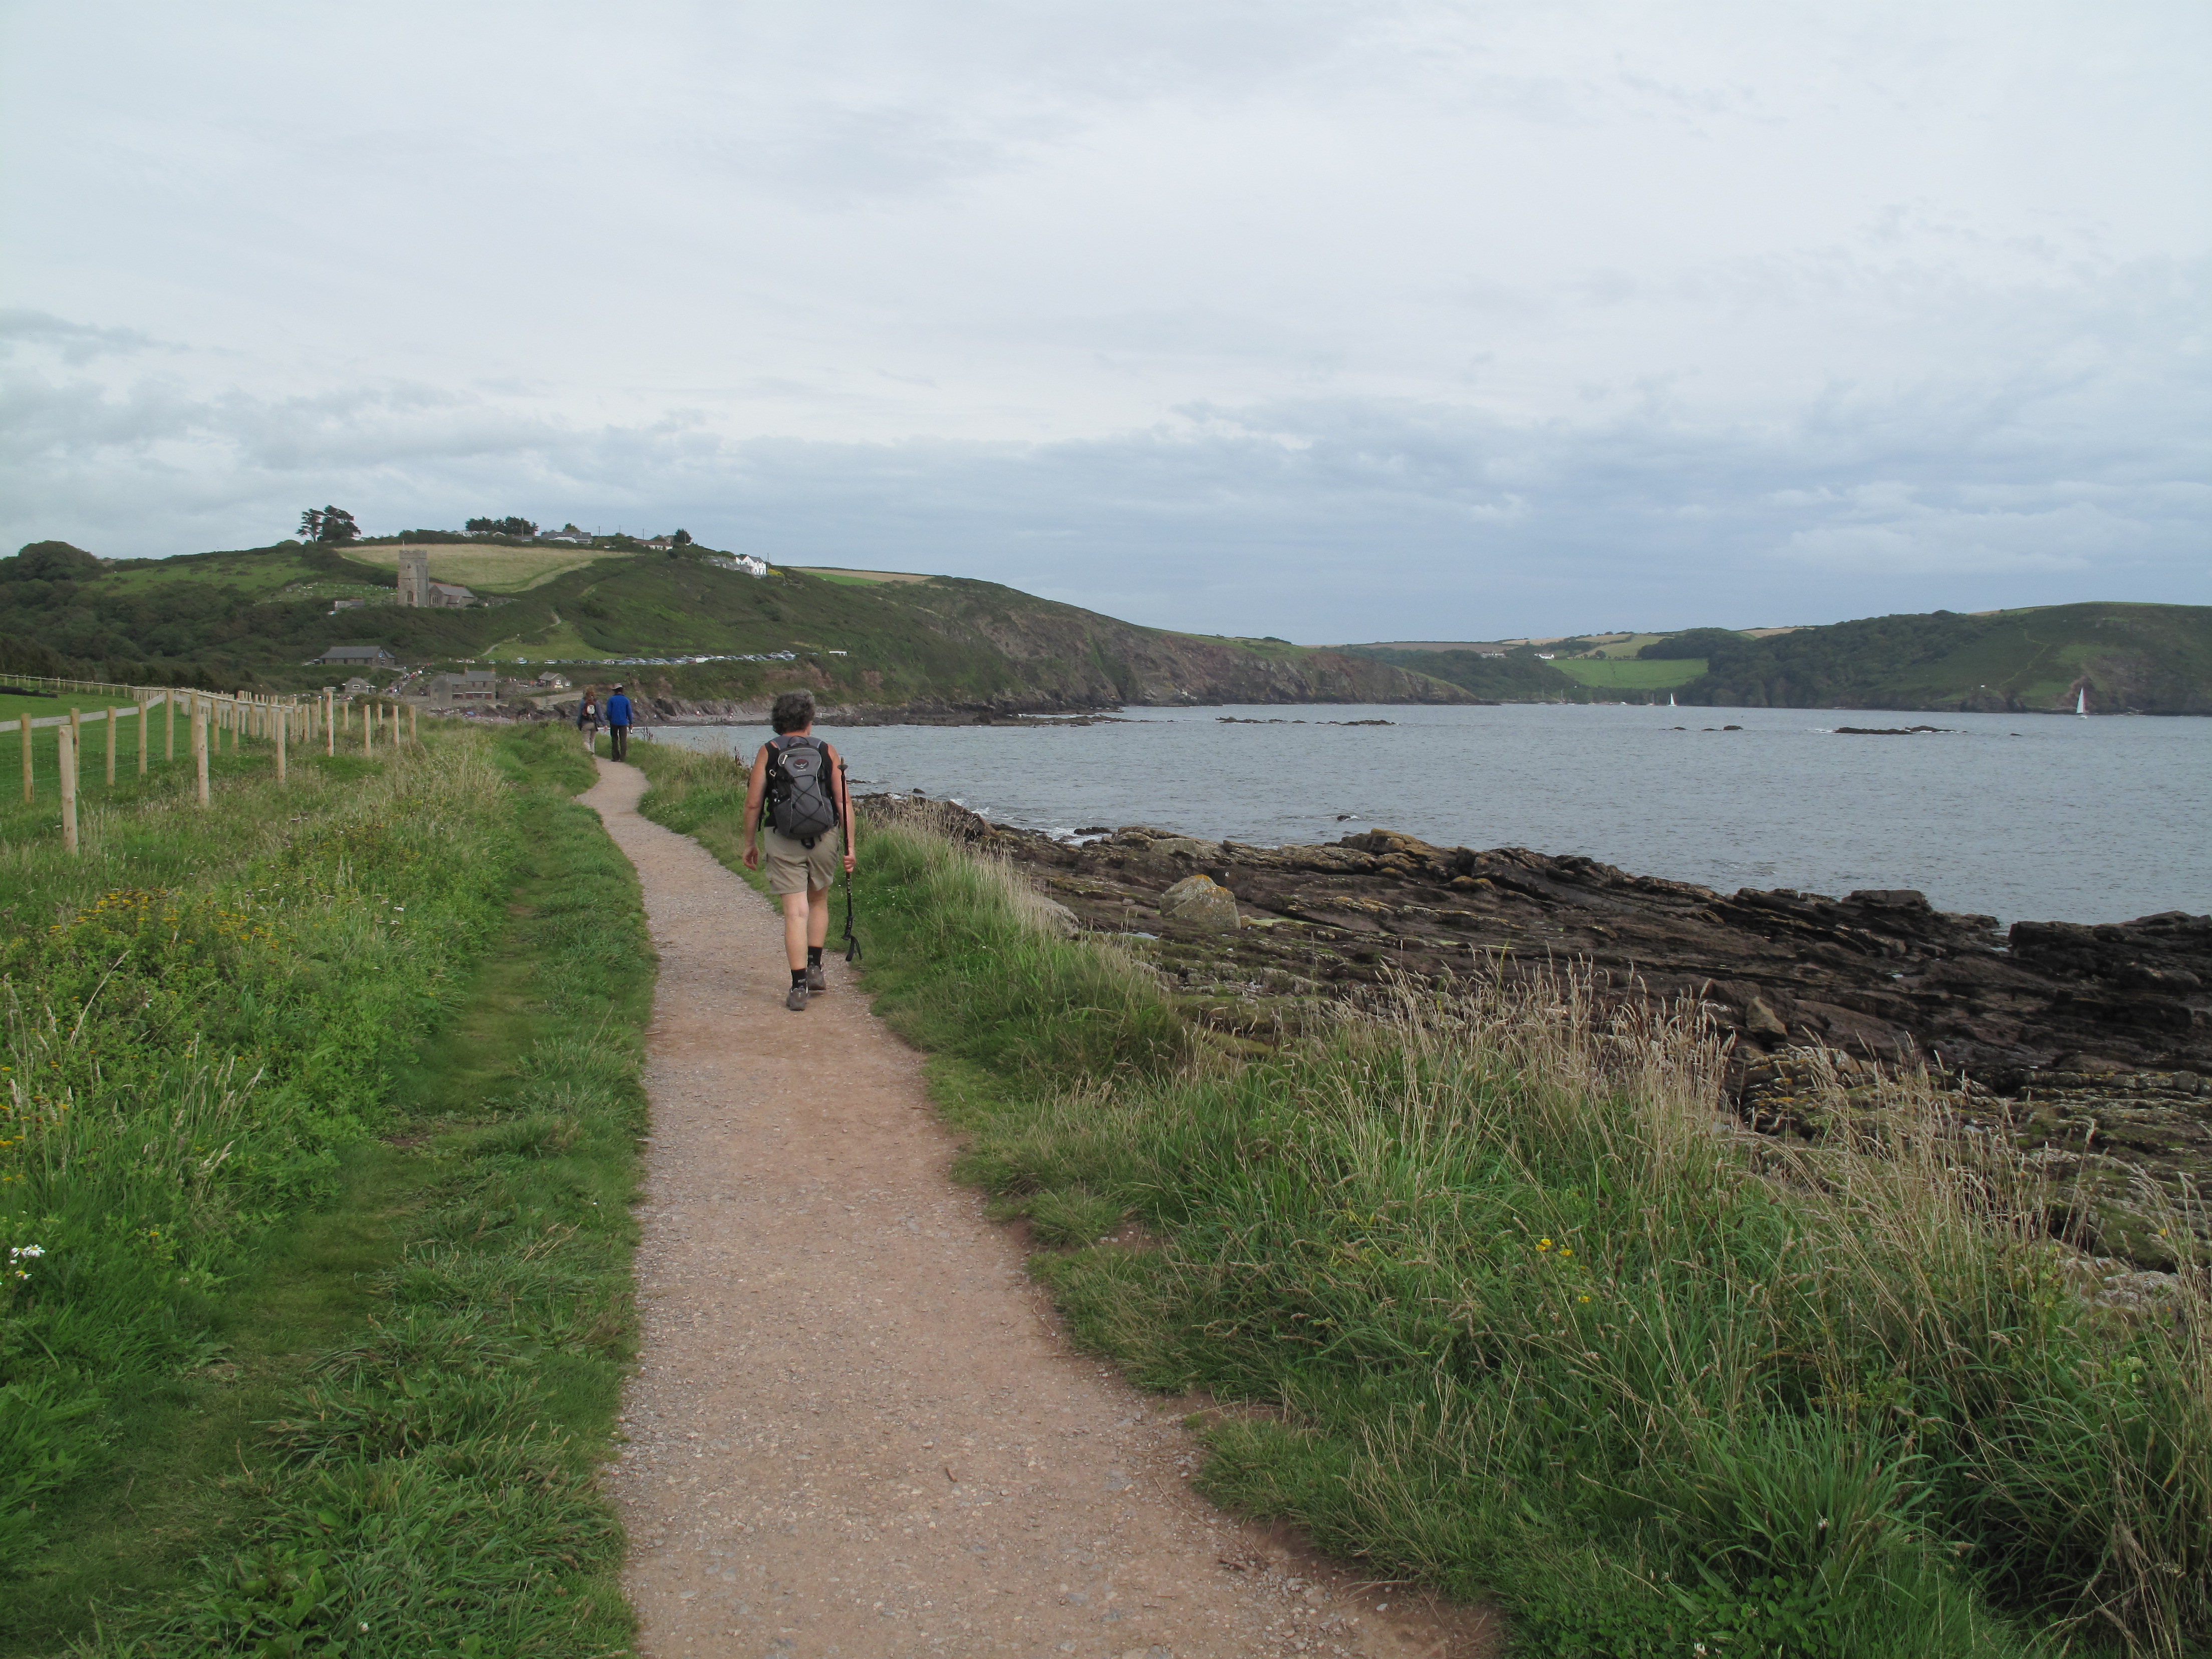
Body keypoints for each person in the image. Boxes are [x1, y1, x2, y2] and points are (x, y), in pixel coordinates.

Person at [741, 690, 857, 1011]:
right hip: (823, 837)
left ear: (778, 720)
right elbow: (844, 802)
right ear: (809, 719)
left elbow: (753, 804)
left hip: (782, 837)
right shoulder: (826, 750)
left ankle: (798, 987)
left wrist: (749, 843)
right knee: (818, 901)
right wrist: (850, 846)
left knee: (795, 913)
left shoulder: (769, 751)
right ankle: (816, 968)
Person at [604, 684, 634, 761]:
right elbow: (629, 713)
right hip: (623, 722)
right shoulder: (626, 700)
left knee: (614, 739)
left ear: (615, 691)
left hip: (614, 722)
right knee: (623, 739)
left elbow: (609, 712)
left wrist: (610, 719)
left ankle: (615, 757)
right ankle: (623, 758)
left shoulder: (611, 700)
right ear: (622, 691)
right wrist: (631, 723)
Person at [576, 690, 601, 754]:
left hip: (585, 724)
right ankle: (593, 755)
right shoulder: (596, 702)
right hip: (594, 724)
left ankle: (588, 753)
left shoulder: (583, 702)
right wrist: (604, 724)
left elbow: (579, 715)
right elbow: (600, 714)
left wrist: (578, 724)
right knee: (592, 741)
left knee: (586, 741)